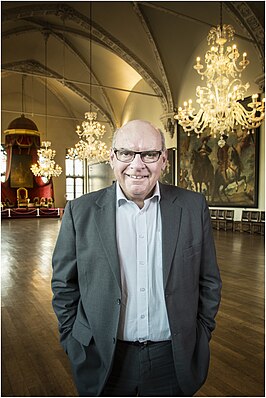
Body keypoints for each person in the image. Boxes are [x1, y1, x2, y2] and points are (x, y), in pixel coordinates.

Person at [51, 119, 222, 397]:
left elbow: (209, 280)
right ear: (112, 157)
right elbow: (63, 285)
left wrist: (201, 333)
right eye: (126, 153)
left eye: (149, 154)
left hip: (173, 356)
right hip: (103, 356)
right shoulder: (79, 211)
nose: (137, 165)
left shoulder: (192, 207)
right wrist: (73, 340)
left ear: (164, 160)